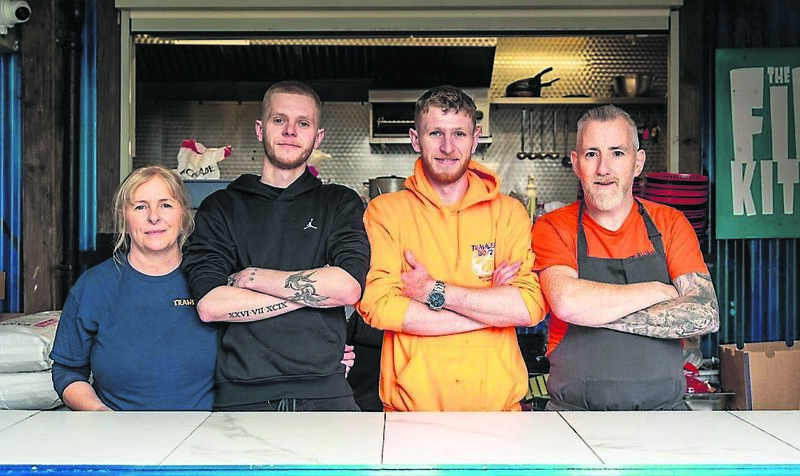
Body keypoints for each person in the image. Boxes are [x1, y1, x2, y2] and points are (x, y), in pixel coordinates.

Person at [181, 80, 370, 412]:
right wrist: (314, 294)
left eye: (303, 123)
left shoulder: (338, 203)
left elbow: (347, 288)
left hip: (326, 390)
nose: (290, 131)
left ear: (318, 136)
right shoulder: (221, 208)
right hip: (243, 394)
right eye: (279, 120)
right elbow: (211, 304)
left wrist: (254, 277)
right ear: (260, 128)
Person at [356, 85, 546, 412]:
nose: (447, 147)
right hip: (411, 416)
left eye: (459, 133)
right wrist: (490, 312)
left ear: (476, 138)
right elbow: (379, 307)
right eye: (436, 134)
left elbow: (528, 307)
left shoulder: (509, 213)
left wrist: (434, 290)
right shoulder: (385, 212)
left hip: (498, 415)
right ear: (416, 139)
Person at [531, 104, 720, 411]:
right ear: (576, 163)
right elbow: (567, 303)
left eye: (617, 153)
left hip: (666, 418)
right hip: (575, 418)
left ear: (638, 162)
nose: (603, 168)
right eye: (592, 154)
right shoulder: (554, 226)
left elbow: (704, 314)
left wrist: (593, 312)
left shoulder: (670, 223)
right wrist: (657, 292)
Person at [50, 165, 218, 411]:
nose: (153, 217)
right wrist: (100, 414)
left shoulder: (211, 284)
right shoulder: (94, 286)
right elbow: (67, 370)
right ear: (124, 217)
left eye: (166, 205)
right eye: (140, 206)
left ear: (183, 216)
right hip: (118, 439)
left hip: (201, 438)